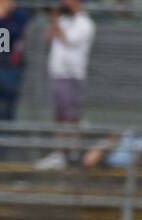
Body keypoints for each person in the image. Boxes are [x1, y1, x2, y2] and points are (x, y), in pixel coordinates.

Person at [40, 0, 95, 167]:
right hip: (57, 74)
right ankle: (60, 152)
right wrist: (54, 20)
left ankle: (72, 152)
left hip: (72, 76)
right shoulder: (64, 21)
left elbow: (69, 40)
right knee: (59, 116)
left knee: (71, 117)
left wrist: (56, 22)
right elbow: (47, 38)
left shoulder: (85, 23)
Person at [0, 0, 31, 123]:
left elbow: (4, 43)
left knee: (7, 109)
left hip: (10, 68)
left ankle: (6, 139)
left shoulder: (20, 15)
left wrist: (2, 18)